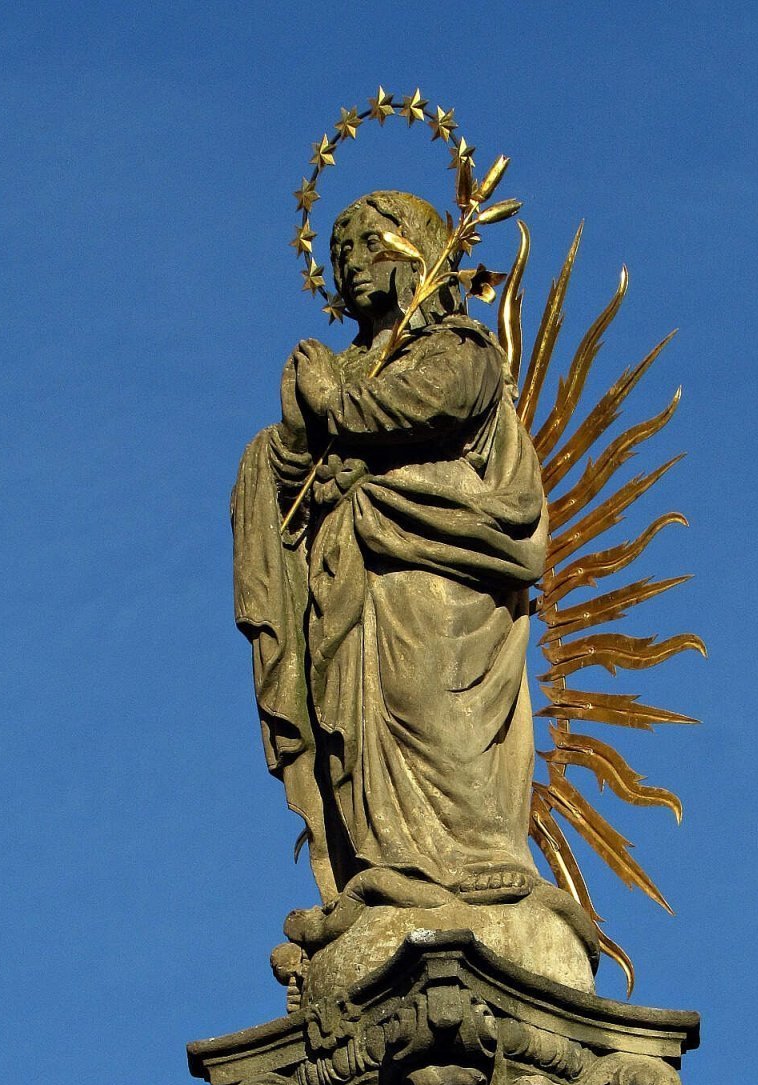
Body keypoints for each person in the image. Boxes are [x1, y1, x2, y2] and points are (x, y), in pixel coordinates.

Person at [231, 190, 551, 953]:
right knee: (348, 715)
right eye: (340, 251)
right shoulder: (343, 368)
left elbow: (431, 403)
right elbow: (294, 480)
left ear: (417, 253)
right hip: (347, 575)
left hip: (434, 563)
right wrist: (289, 440)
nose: (351, 262)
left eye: (370, 243)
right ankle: (385, 867)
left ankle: (472, 865)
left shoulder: (458, 347)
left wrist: (331, 403)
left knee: (425, 701)